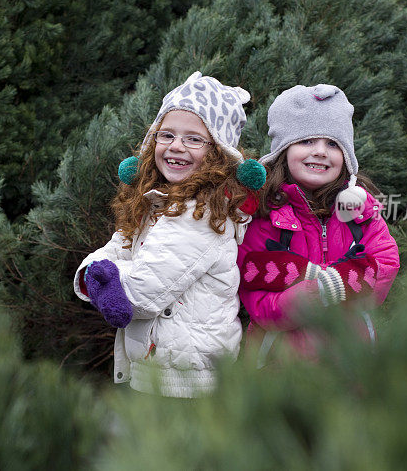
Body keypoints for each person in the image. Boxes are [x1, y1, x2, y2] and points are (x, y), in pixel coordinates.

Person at [73, 71, 265, 398]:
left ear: (219, 153)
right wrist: (94, 274)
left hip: (188, 384)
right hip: (158, 370)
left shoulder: (202, 212)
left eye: (194, 139)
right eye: (167, 135)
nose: (177, 146)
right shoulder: (155, 202)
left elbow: (143, 292)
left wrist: (101, 277)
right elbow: (114, 251)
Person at [237, 84, 399, 365]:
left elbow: (385, 263)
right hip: (277, 366)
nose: (321, 152)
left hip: (349, 363)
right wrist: (313, 294)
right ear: (283, 150)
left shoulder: (360, 211)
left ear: (346, 157)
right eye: (307, 141)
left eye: (333, 144)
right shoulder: (266, 215)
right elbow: (256, 290)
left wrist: (332, 284)